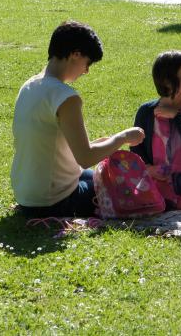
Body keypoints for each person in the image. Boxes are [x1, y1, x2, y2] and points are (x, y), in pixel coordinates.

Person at [11, 20, 145, 218]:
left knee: (97, 176)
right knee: (122, 186)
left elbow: (55, 147)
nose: (86, 70)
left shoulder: (30, 85)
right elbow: (85, 158)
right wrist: (122, 137)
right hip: (51, 202)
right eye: (87, 63)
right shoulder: (65, 97)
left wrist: (102, 144)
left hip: (27, 194)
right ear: (75, 54)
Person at [131, 50, 181, 211]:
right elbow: (136, 147)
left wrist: (176, 117)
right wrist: (148, 168)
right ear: (166, 81)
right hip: (157, 177)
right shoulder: (146, 111)